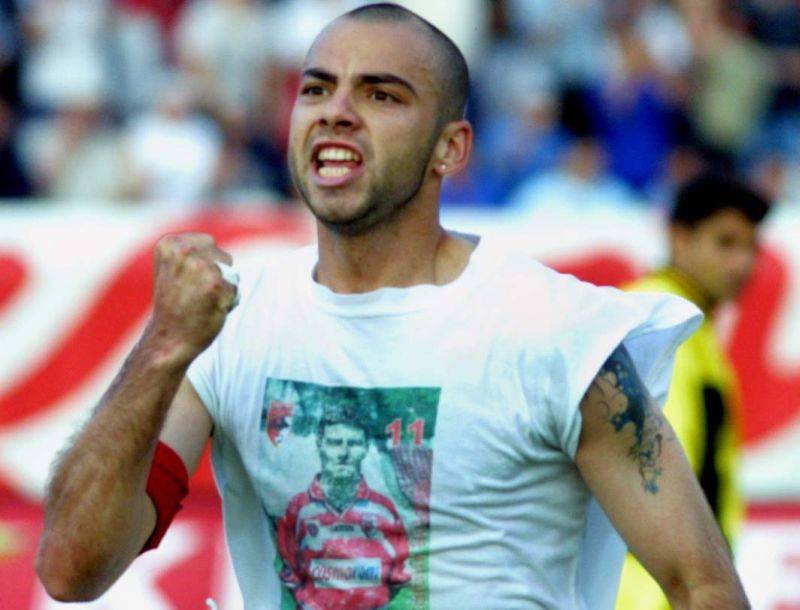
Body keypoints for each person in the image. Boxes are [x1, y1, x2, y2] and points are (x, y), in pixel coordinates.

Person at [36, 4, 749, 609]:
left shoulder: (555, 331)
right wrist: (162, 347)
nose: (337, 112)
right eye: (317, 89)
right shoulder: (232, 322)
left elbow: (703, 586)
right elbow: (72, 569)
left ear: (450, 149)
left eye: (381, 96)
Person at [616, 172, 770, 610]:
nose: (742, 263)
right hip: (649, 595)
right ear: (679, 238)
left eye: (751, 248)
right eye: (725, 243)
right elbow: (657, 473)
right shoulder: (657, 323)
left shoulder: (686, 326)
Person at [277, 414, 411, 609]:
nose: (344, 453)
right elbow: (290, 574)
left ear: (366, 447)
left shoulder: (383, 509)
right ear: (320, 444)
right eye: (335, 443)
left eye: (354, 443)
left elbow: (399, 576)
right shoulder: (299, 509)